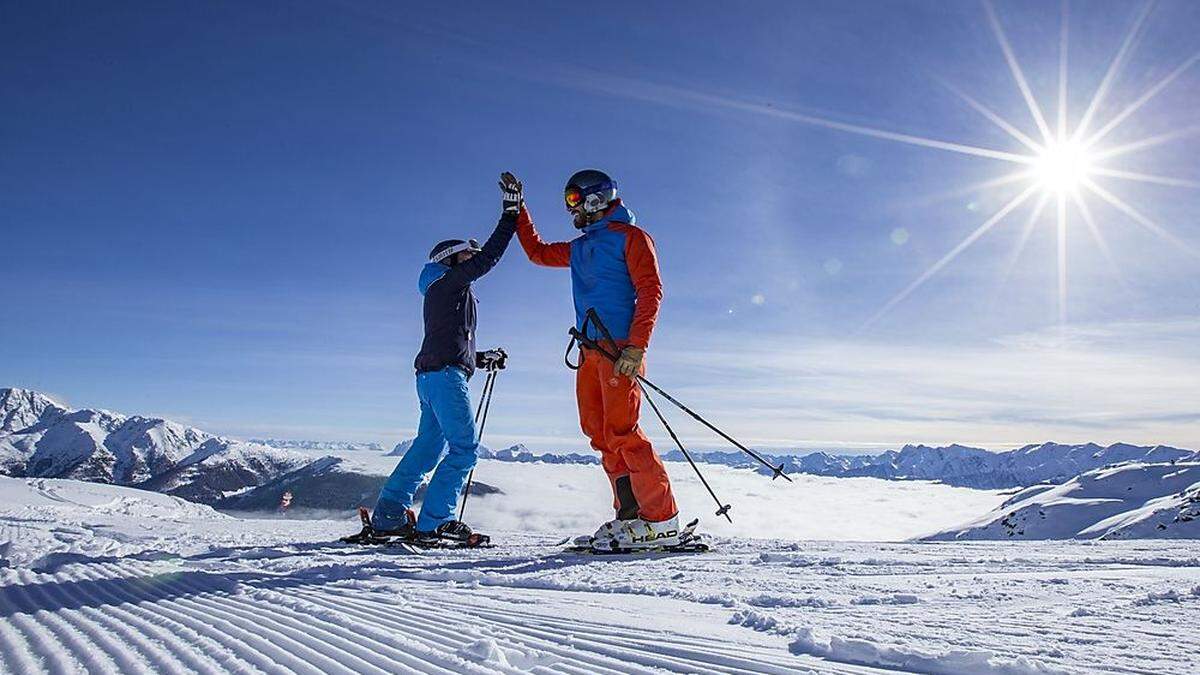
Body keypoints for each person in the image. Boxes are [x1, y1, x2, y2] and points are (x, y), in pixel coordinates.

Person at [504, 169, 682, 550]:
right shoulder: (580, 247)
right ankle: (630, 515)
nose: (570, 209)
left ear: (596, 199)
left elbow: (650, 291)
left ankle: (661, 518)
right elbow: (537, 252)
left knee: (624, 432)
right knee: (600, 434)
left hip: (619, 349)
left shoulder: (631, 239)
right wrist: (519, 211)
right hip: (589, 351)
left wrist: (637, 348)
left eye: (573, 199)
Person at [370, 177, 520, 543]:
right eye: (466, 255)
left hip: (432, 376)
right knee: (464, 450)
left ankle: (388, 516)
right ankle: (434, 523)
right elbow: (489, 258)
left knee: (427, 448)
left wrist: (481, 358)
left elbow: (448, 341)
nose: (473, 258)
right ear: (450, 260)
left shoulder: (443, 290)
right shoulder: (449, 282)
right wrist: (510, 213)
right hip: (445, 378)